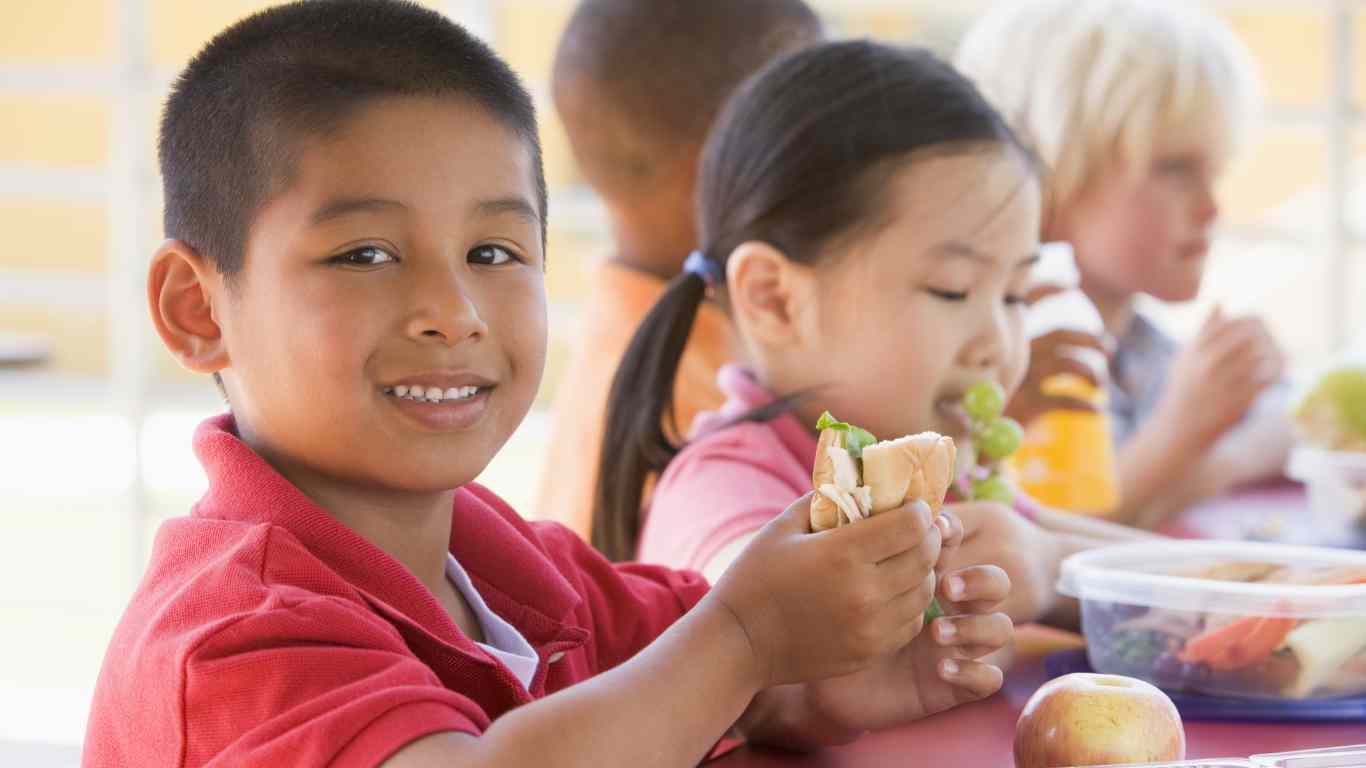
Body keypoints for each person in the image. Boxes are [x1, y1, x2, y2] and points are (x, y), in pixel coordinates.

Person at [81, 3, 1011, 766]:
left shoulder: (524, 575)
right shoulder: (233, 638)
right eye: (365, 254)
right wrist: (744, 641)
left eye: (494, 250)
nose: (453, 310)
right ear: (198, 309)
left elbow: (718, 682)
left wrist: (829, 685)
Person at [597, 40, 1155, 629]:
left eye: (1015, 295)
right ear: (775, 299)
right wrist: (1049, 569)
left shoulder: (928, 474)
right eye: (952, 289)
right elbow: (756, 637)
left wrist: (1050, 564)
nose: (999, 344)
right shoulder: (724, 487)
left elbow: (1163, 573)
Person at [956, 0, 1290, 528]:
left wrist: (1207, 459)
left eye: (1216, 169)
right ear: (1050, 170)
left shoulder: (1141, 349)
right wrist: (1182, 431)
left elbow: (1283, 425)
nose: (1213, 207)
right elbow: (1031, 546)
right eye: (1175, 168)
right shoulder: (1010, 361)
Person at [536, 0, 823, 541]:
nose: (838, 156)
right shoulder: (697, 405)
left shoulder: (651, 336)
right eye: (811, 126)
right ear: (725, 155)